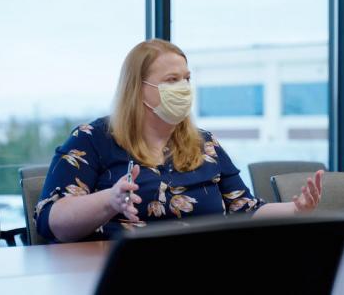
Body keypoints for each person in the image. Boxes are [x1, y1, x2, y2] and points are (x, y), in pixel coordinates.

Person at [35, 39, 324, 243]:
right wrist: (109, 201)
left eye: (187, 78)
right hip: (112, 272)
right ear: (138, 89)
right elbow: (52, 221)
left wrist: (294, 209)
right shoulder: (92, 139)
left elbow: (244, 209)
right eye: (172, 80)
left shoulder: (205, 144)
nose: (183, 88)